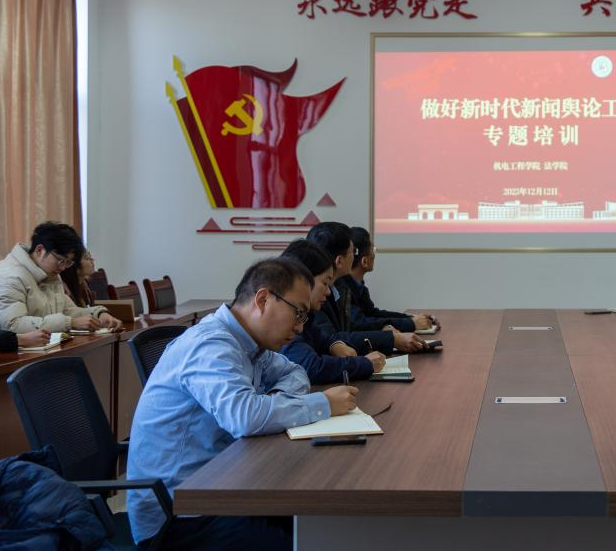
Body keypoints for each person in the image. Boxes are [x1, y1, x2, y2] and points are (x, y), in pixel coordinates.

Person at [127, 257, 358, 550]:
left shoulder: (250, 344)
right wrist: (322, 403)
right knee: (307, 540)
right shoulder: (211, 346)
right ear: (263, 299)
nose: (301, 327)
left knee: (324, 525)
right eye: (298, 313)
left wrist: (273, 402)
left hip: (229, 483)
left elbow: (296, 373)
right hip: (179, 515)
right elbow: (245, 418)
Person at [306, 221, 424, 354]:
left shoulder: (337, 288)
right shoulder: (315, 295)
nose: (355, 256)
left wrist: (388, 329)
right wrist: (391, 338)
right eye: (353, 251)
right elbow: (333, 339)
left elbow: (352, 327)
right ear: (339, 261)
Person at [279, 239, 385, 382]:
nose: (329, 291)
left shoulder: (305, 315)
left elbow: (321, 337)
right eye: (325, 283)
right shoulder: (285, 319)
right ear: (302, 280)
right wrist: (364, 364)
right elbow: (311, 367)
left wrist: (333, 344)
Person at [0, 222, 121, 333]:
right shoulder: (9, 276)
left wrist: (98, 314)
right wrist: (70, 323)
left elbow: (67, 311)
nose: (63, 268)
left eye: (68, 262)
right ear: (40, 250)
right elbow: (11, 325)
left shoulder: (50, 274)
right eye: (61, 260)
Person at [345, 226, 434, 336]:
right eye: (373, 250)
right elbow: (360, 323)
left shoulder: (358, 286)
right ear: (364, 261)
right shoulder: (343, 289)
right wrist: (410, 323)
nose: (374, 254)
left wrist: (412, 318)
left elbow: (373, 313)